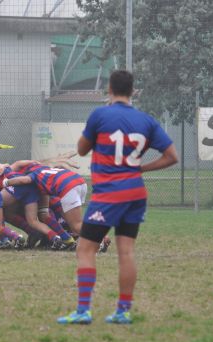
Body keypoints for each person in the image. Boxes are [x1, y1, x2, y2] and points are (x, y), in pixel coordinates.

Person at [57, 70, 178, 325]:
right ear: (133, 91)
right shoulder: (147, 121)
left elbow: (81, 150)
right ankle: (123, 311)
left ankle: (83, 310)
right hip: (135, 193)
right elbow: (171, 156)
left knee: (85, 248)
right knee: (126, 252)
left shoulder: (101, 115)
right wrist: (140, 168)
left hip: (109, 193)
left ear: (109, 89)